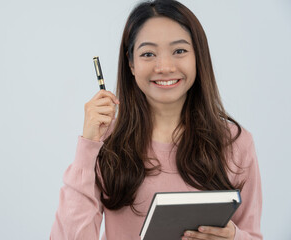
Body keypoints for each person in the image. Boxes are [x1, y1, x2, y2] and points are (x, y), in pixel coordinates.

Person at [50, 0, 262, 239]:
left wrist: (234, 237)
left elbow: (252, 234)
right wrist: (87, 145)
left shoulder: (235, 142)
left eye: (179, 51)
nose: (164, 67)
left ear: (198, 57)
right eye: (148, 54)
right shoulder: (105, 141)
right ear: (131, 63)